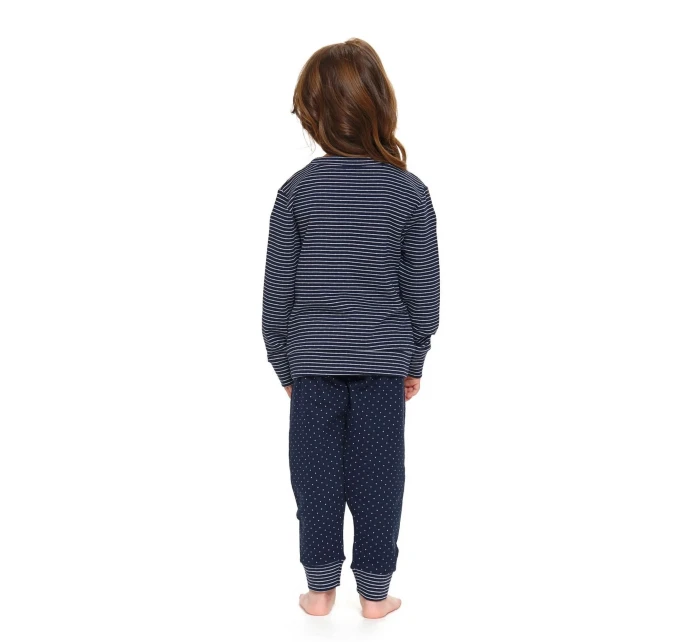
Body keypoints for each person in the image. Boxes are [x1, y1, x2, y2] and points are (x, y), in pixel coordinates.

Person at [261, 38, 440, 619]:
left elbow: (277, 294)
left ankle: (319, 590)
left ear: (313, 114)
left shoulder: (297, 192)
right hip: (383, 366)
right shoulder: (408, 192)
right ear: (380, 105)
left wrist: (284, 363)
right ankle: (375, 594)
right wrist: (414, 357)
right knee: (380, 478)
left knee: (314, 477)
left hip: (312, 367)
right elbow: (423, 290)